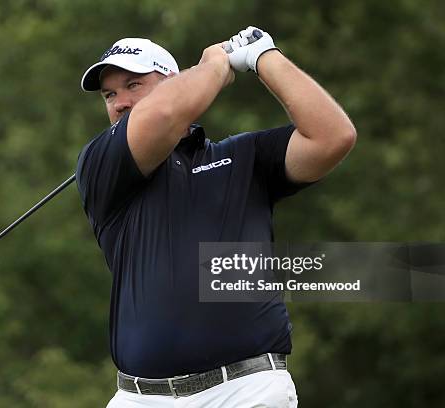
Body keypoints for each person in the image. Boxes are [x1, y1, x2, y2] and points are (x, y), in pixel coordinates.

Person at [76, 26, 356, 407]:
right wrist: (214, 66)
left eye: (133, 85)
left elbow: (333, 136)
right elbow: (164, 113)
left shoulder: (244, 157)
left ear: (174, 82)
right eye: (110, 94)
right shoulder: (102, 164)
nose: (120, 102)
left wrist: (263, 57)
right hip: (141, 398)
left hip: (246, 390)